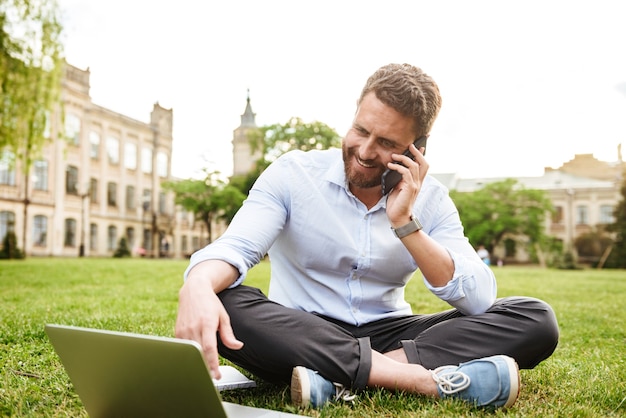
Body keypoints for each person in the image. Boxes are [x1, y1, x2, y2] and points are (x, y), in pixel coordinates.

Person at [175, 63, 559, 410]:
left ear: (417, 149)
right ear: (354, 115)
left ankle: (338, 380)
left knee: (534, 318)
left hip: (388, 334)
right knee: (225, 299)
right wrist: (197, 285)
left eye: (388, 143)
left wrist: (406, 223)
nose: (365, 151)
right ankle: (419, 381)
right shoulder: (293, 174)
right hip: (302, 331)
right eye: (361, 130)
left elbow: (478, 299)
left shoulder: (433, 199)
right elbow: (237, 247)